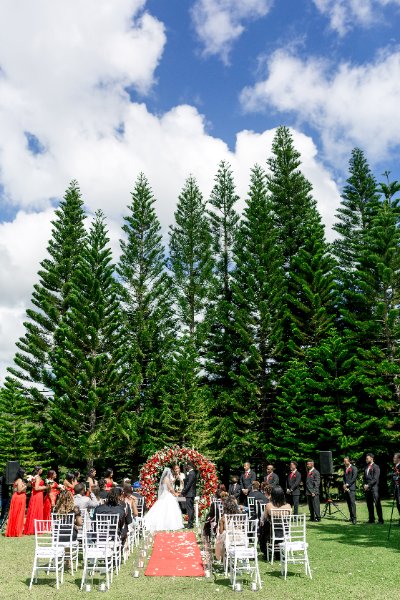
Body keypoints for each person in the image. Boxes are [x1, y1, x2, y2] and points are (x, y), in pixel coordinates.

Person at [143, 468, 183, 533]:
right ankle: (169, 524)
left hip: (164, 494)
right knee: (169, 510)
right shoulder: (167, 479)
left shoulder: (164, 479)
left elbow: (169, 485)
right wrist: (175, 494)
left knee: (162, 509)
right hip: (167, 494)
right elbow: (170, 488)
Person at [260, 486, 291, 556]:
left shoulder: (269, 506)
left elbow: (264, 517)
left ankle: (265, 551)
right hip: (284, 531)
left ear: (272, 495)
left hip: (272, 532)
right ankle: (278, 552)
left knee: (263, 526)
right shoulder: (288, 506)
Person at [215, 496, 241, 562]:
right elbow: (241, 527)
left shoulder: (223, 518)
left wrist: (219, 527)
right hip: (240, 538)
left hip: (229, 540)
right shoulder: (240, 516)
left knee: (220, 536)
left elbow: (221, 532)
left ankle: (222, 557)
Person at [23, 466, 48, 535]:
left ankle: (33, 528)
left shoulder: (34, 477)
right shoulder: (37, 477)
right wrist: (45, 487)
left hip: (36, 495)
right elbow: (36, 488)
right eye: (41, 469)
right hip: (37, 495)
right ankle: (34, 528)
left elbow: (33, 487)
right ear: (38, 470)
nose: (42, 470)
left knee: (34, 510)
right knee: (36, 510)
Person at [5, 467, 27, 537]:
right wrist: (26, 485)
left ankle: (14, 530)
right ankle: (17, 531)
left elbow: (15, 490)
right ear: (22, 473)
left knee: (16, 514)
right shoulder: (20, 480)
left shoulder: (17, 480)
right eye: (25, 472)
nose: (25, 474)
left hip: (17, 497)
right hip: (19, 498)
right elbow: (19, 490)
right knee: (18, 514)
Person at [364, 453, 384, 524]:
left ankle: (380, 519)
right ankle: (371, 519)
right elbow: (365, 478)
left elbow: (375, 479)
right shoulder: (366, 467)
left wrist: (368, 485)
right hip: (367, 488)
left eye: (367, 458)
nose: (366, 459)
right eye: (366, 458)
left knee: (377, 504)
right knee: (369, 504)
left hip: (374, 488)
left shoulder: (376, 467)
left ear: (371, 458)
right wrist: (365, 485)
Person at [181, 462, 197, 528]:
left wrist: (183, 492)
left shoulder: (191, 473)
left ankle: (190, 524)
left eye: (187, 466)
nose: (186, 467)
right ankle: (190, 523)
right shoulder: (192, 473)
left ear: (190, 466)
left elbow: (188, 484)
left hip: (189, 494)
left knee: (189, 509)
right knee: (191, 509)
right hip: (190, 494)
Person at [343, 456, 358, 524]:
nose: (344, 463)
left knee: (352, 503)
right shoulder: (345, 469)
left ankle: (354, 518)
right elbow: (344, 478)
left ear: (349, 461)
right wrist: (344, 485)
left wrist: (348, 485)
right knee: (348, 503)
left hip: (351, 488)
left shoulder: (354, 468)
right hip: (346, 488)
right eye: (344, 461)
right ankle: (351, 517)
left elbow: (354, 478)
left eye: (345, 461)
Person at [392, 453, 400, 523]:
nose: (393, 459)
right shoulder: (395, 466)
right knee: (398, 503)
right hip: (396, 487)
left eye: (395, 458)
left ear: (398, 459)